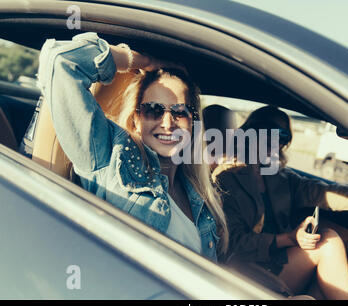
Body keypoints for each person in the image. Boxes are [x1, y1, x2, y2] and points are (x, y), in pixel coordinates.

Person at [37, 32, 228, 261]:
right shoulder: (112, 156)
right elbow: (62, 62)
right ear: (136, 119)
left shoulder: (200, 197)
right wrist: (144, 62)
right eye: (153, 110)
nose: (167, 123)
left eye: (180, 112)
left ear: (193, 123)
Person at [214, 106, 348, 299]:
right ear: (251, 132)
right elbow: (234, 243)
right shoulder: (226, 179)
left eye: (283, 136)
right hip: (253, 272)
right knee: (328, 241)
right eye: (270, 132)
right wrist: (288, 238)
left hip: (287, 264)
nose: (277, 141)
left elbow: (329, 193)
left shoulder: (280, 178)